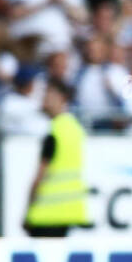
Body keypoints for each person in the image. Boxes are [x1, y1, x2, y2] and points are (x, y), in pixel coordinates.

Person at [22, 76, 90, 237]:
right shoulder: (75, 128)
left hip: (46, 214)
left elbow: (40, 175)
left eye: (49, 95)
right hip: (69, 212)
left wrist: (28, 209)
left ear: (62, 98)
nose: (44, 99)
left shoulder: (54, 132)